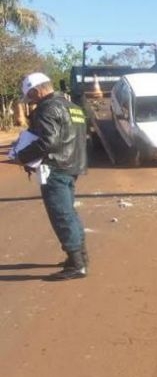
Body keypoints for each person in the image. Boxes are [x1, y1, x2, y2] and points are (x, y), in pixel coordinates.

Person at [16, 72, 89, 280]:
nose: (30, 100)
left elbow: (49, 143)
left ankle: (76, 265)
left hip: (54, 168)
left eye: (30, 96)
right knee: (69, 213)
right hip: (72, 166)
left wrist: (22, 156)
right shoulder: (73, 108)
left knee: (61, 215)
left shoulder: (46, 108)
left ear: (36, 90)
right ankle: (80, 257)